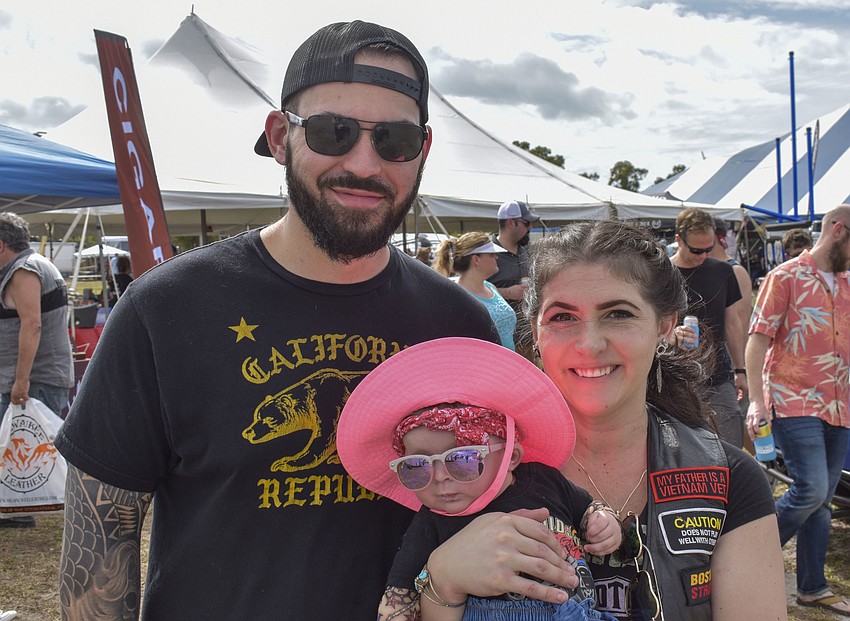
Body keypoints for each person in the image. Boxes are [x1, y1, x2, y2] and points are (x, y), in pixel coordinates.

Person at [54, 21, 498, 620]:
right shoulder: (166, 309)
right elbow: (103, 540)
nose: (363, 164)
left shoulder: (460, 324)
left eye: (392, 139)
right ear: (280, 135)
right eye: (333, 132)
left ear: (421, 151)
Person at [422, 220, 786, 620]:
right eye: (562, 318)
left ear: (664, 326)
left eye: (617, 313)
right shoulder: (471, 467)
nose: (590, 344)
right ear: (536, 334)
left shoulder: (729, 478)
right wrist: (442, 582)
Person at [337, 337, 620, 620]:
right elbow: (399, 597)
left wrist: (603, 522)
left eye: (461, 459)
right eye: (416, 465)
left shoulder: (546, 481)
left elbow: (589, 509)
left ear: (511, 457)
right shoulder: (430, 523)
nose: (439, 478)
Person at [746, 205, 850, 617]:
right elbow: (757, 341)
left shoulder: (846, 283)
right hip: (794, 400)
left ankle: (811, 587)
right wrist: (756, 400)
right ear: (839, 230)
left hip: (840, 404)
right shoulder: (785, 276)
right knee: (809, 491)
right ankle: (747, 559)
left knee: (822, 499)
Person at [0, 213, 73, 529]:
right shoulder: (34, 265)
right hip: (38, 377)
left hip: (33, 379)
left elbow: (32, 323)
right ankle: (18, 510)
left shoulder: (24, 271)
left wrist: (21, 380)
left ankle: (22, 510)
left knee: (32, 451)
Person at [670, 208, 748, 448]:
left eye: (709, 248)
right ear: (679, 240)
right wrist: (669, 334)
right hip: (674, 377)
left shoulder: (723, 271)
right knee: (684, 449)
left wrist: (741, 370)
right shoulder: (662, 273)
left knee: (731, 447)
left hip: (718, 376)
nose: (702, 255)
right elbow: (645, 321)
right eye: (696, 250)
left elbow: (732, 323)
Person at [434, 233, 517, 350]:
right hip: (481, 365)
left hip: (507, 364)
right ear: (476, 259)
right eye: (491, 254)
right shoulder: (455, 295)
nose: (496, 257)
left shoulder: (491, 287)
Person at [489, 200, 540, 359]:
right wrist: (506, 292)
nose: (530, 228)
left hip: (526, 337)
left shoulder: (525, 251)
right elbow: (470, 288)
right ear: (512, 223)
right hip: (500, 340)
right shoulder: (488, 253)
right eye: (526, 223)